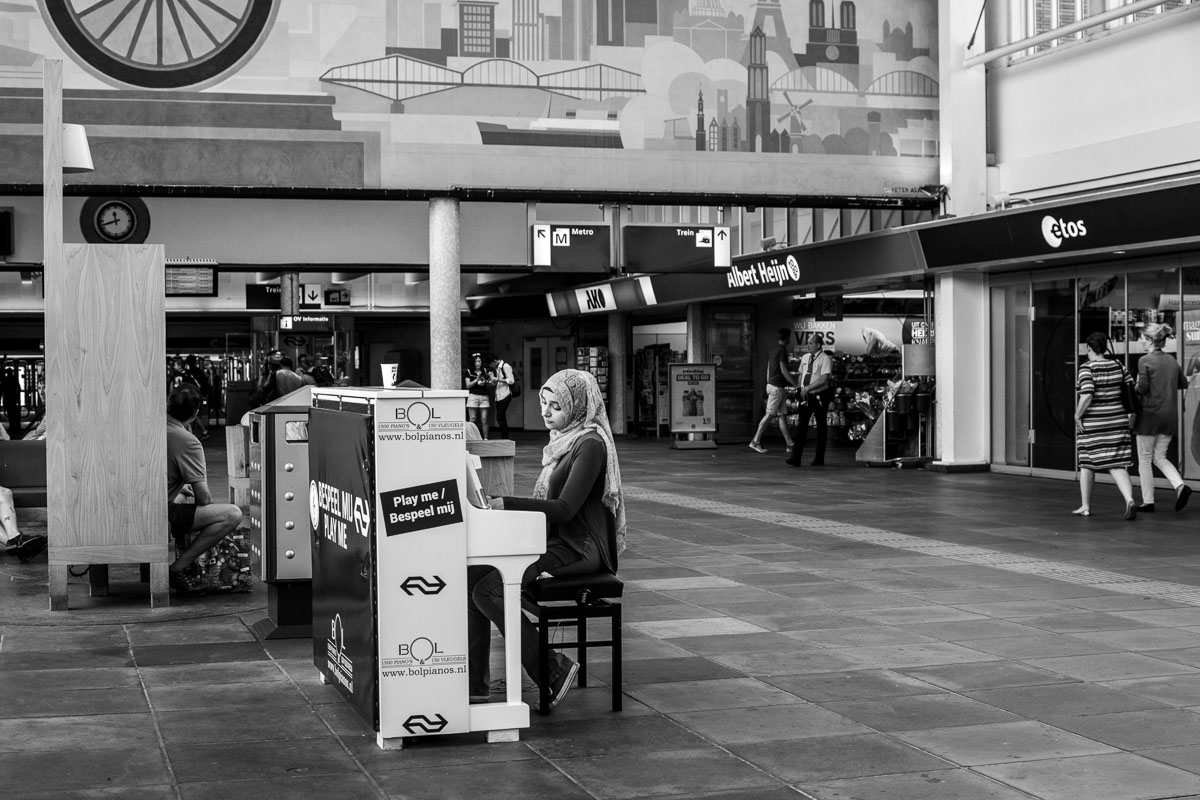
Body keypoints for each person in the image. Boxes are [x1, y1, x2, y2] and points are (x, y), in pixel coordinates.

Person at [467, 368, 626, 711]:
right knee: (473, 579)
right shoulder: (565, 442)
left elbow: (565, 509)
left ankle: (552, 670)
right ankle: (474, 686)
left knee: (489, 589)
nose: (545, 411)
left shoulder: (591, 445)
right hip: (560, 543)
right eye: (544, 403)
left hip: (580, 548)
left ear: (579, 407)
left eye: (556, 405)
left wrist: (506, 503)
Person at [166, 385, 244, 597]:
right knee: (231, 514)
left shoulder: (153, 427)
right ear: (195, 414)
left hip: (138, 505)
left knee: (185, 499)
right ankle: (179, 567)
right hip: (162, 513)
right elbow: (204, 498)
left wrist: (179, 490)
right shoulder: (186, 440)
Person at [1073, 331, 1139, 520]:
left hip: (1094, 423)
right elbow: (1130, 389)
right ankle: (1129, 500)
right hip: (1118, 421)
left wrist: (1077, 416)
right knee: (1117, 464)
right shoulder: (1118, 365)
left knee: (1087, 462)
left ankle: (1085, 505)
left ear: (1089, 348)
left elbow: (1087, 394)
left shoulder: (1087, 368)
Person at [1133, 323, 1192, 513]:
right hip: (1169, 416)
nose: (1140, 341)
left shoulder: (1144, 360)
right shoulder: (1172, 361)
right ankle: (1180, 485)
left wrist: (1132, 385)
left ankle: (1148, 501)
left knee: (1145, 459)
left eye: (1142, 338)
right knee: (1159, 456)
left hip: (1149, 416)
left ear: (1150, 340)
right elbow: (1183, 383)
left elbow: (1141, 388)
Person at [786, 335, 834, 467]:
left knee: (821, 427)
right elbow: (802, 373)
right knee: (801, 426)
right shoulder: (805, 357)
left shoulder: (825, 358)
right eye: (808, 343)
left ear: (818, 345)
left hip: (818, 395)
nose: (808, 346)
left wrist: (808, 388)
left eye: (811, 343)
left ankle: (819, 458)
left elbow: (824, 379)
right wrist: (800, 388)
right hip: (805, 395)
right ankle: (795, 458)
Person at [749, 328, 796, 454]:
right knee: (770, 414)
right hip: (777, 388)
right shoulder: (782, 351)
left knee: (782, 416)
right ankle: (755, 441)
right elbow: (784, 370)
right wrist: (795, 384)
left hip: (773, 386)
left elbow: (768, 369)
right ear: (787, 338)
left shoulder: (773, 350)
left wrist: (768, 383)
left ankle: (790, 444)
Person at [464, 353, 494, 440]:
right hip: (473, 396)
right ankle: (471, 438)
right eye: (476, 361)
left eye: (479, 361)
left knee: (484, 419)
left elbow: (491, 382)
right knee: (472, 419)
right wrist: (476, 380)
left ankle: (485, 438)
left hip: (484, 396)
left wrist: (486, 381)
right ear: (473, 362)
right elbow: (468, 385)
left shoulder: (485, 371)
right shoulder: (469, 371)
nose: (478, 363)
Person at [488, 353, 516, 439]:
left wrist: (498, 379)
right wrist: (491, 381)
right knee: (501, 417)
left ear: (495, 361)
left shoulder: (505, 366)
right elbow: (497, 382)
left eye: (491, 364)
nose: (491, 366)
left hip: (505, 394)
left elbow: (511, 381)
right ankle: (504, 437)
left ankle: (505, 437)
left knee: (499, 417)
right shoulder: (498, 368)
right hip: (499, 396)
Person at [2, 365, 22, 438]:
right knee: (14, 414)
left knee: (10, 415)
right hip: (13, 399)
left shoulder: (6, 379)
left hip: (9, 399)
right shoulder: (14, 379)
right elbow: (18, 388)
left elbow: (3, 390)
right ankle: (16, 427)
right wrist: (18, 399)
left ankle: (12, 427)